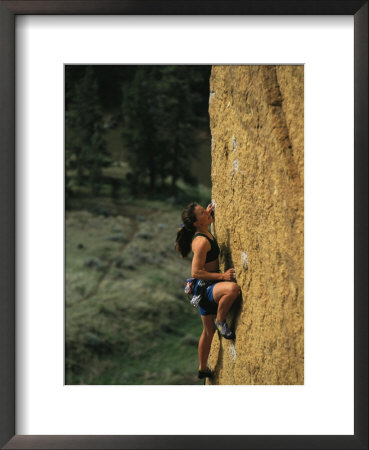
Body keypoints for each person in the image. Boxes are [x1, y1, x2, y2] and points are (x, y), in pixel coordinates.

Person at [175, 202, 240, 379]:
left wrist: (207, 215)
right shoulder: (202, 241)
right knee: (232, 289)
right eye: (202, 212)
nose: (206, 211)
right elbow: (195, 272)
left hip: (203, 288)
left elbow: (203, 221)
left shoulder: (203, 230)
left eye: (205, 209)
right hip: (206, 288)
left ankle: (202, 368)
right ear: (197, 223)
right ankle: (220, 320)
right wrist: (222, 277)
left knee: (207, 332)